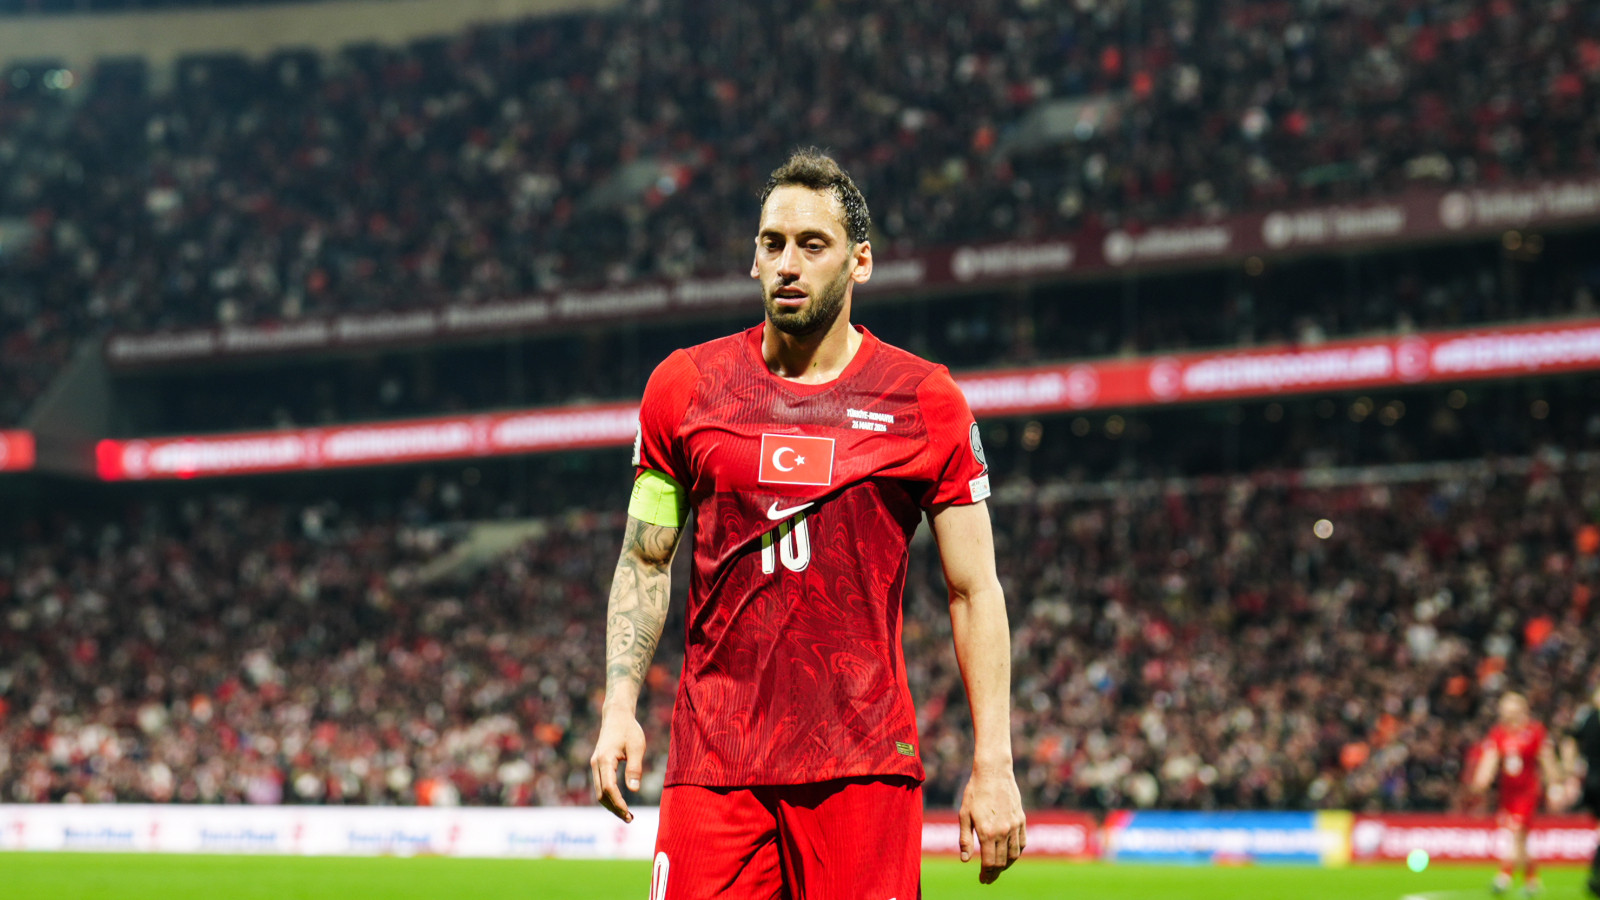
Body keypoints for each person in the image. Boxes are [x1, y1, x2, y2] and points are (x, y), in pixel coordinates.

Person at [588, 147, 1027, 898]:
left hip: (861, 766)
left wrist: (995, 763)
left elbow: (974, 590)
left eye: (812, 245)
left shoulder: (925, 401)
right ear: (754, 258)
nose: (788, 264)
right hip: (715, 760)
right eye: (773, 243)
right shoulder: (684, 387)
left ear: (860, 263)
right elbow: (644, 559)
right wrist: (619, 707)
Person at [1472, 692, 1565, 897]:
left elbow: (1547, 759)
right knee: (1521, 838)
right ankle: (1532, 880)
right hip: (1507, 794)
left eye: (1509, 709)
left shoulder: (1534, 731)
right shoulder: (1499, 733)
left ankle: (1503, 878)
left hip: (1527, 792)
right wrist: (1481, 779)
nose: (1505, 713)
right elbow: (1491, 757)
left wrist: (1555, 785)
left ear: (1520, 709)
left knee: (1516, 833)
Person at [1559, 682, 1600, 898]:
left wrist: (1570, 771)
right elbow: (1570, 740)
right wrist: (1569, 773)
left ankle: (1595, 877)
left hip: (1592, 780)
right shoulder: (1589, 717)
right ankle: (1595, 877)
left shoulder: (1587, 716)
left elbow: (1569, 741)